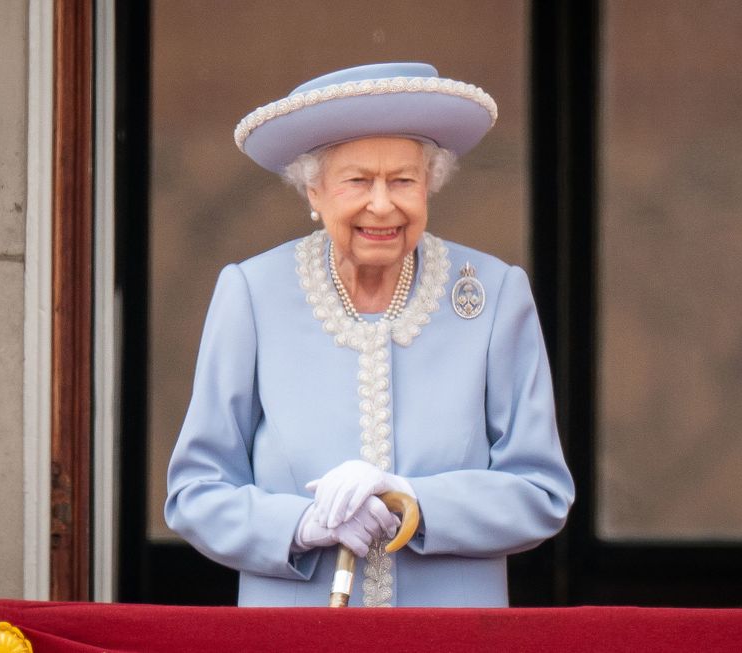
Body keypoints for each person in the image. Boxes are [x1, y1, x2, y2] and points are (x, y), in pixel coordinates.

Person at [164, 62, 575, 607]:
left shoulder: (496, 294)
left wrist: (414, 501)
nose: (382, 204)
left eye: (403, 180)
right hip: (295, 636)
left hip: (448, 637)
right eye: (357, 181)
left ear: (429, 186)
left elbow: (540, 492)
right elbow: (194, 492)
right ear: (314, 190)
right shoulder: (252, 293)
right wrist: (302, 524)